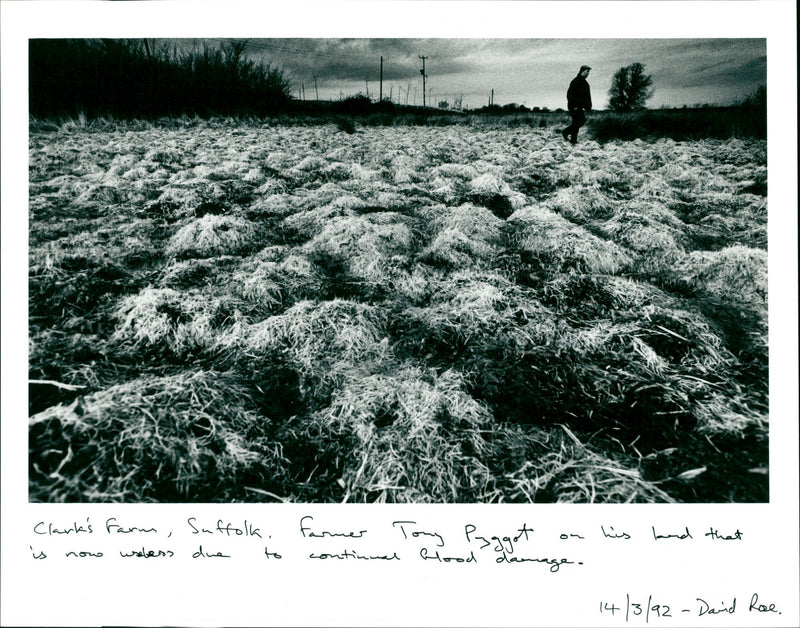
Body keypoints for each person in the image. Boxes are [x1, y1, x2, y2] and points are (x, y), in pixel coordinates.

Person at [561, 65, 592, 144]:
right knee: (577, 122)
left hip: (579, 106)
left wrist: (588, 106)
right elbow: (570, 94)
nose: (588, 74)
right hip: (574, 106)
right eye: (587, 71)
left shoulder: (584, 83)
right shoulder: (575, 81)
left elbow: (587, 96)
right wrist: (574, 105)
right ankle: (572, 139)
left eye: (589, 72)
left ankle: (567, 133)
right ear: (582, 71)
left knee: (580, 121)